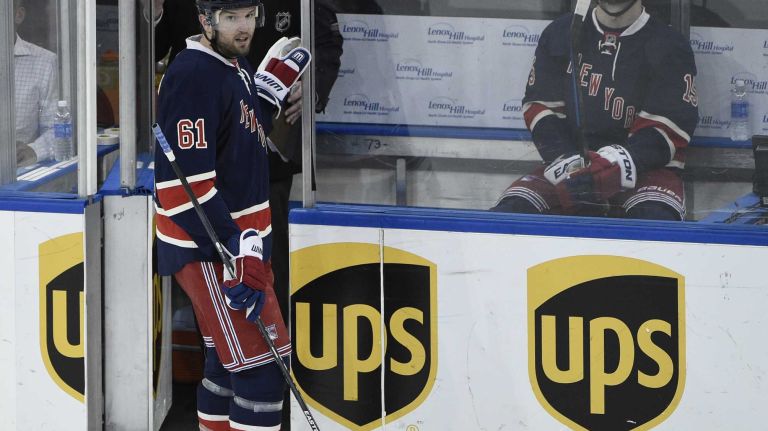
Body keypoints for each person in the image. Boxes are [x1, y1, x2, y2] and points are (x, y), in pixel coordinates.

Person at [153, 1, 310, 430]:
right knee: (261, 375)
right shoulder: (192, 76)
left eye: (249, 15)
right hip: (213, 250)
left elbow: (239, 137)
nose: (245, 28)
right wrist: (237, 252)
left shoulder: (233, 65)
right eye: (231, 18)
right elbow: (183, 186)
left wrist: (265, 97)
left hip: (238, 245)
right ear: (205, 21)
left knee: (227, 367)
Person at [491, 0, 699, 220]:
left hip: (646, 172)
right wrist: (569, 162)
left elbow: (669, 125)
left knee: (655, 222)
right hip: (569, 166)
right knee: (509, 215)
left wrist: (615, 166)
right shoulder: (561, 33)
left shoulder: (669, 45)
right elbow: (541, 106)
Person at [13, 0, 57, 167]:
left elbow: (58, 128)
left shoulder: (44, 62)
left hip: (18, 175)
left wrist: (35, 150)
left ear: (18, 15)